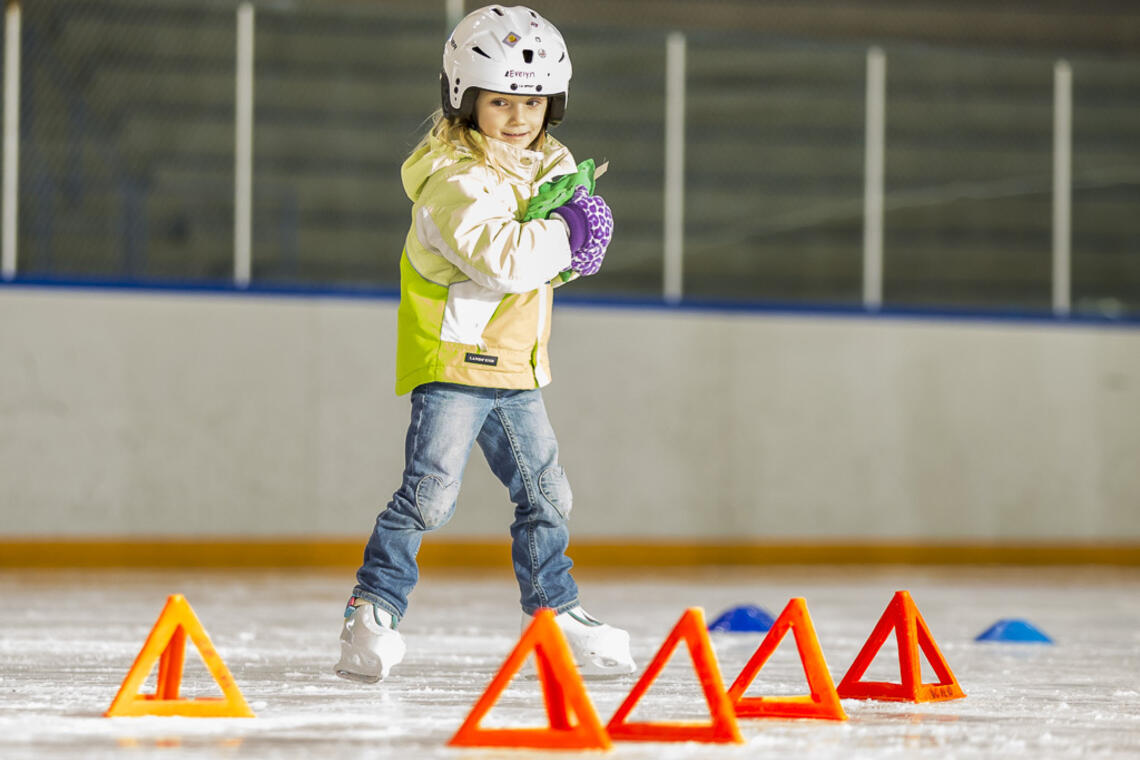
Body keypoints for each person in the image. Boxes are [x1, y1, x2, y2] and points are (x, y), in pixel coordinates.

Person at [334, 4, 633, 683]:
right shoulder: (454, 178)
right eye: (501, 101)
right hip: (455, 360)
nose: (519, 116)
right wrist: (569, 238)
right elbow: (500, 258)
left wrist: (566, 243)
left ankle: (554, 610)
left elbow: (534, 268)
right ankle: (370, 612)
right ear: (465, 100)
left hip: (515, 364)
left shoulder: (543, 168)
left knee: (547, 494)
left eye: (533, 101)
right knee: (429, 494)